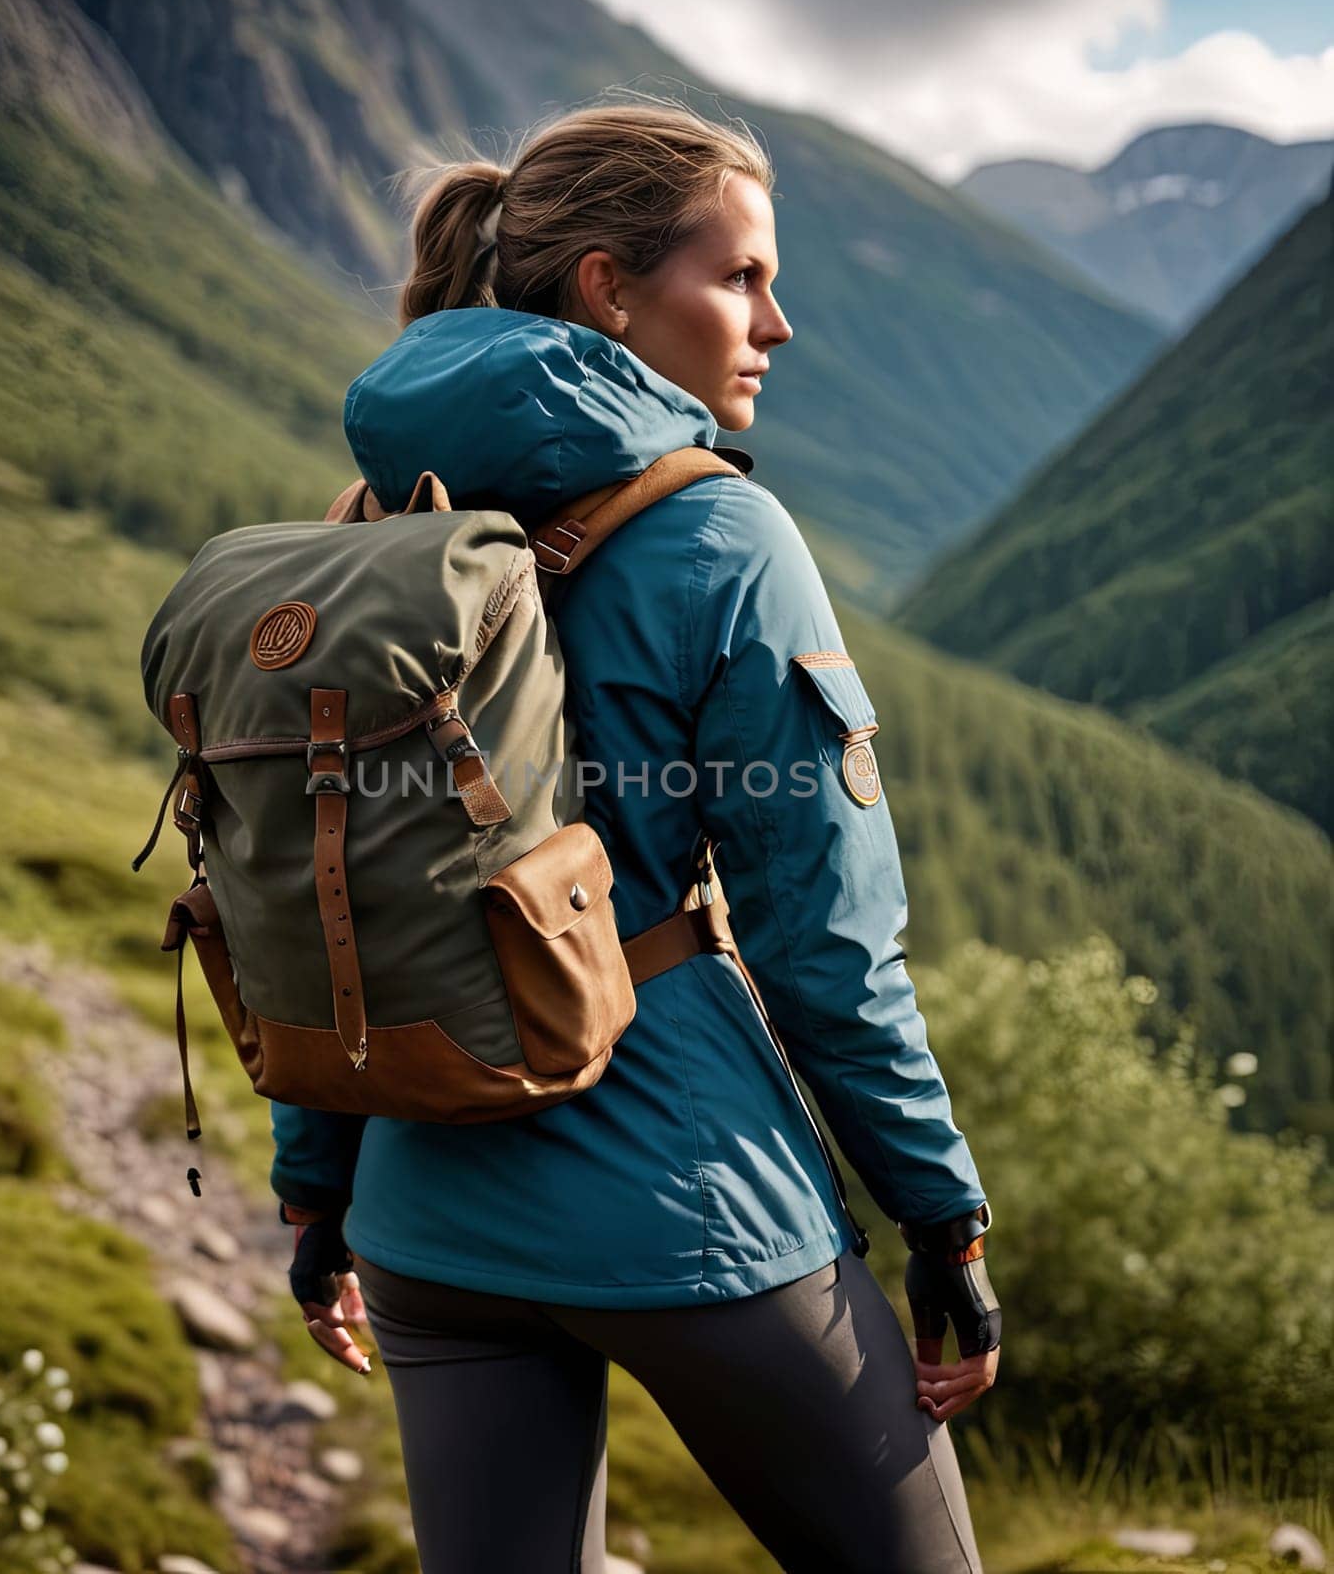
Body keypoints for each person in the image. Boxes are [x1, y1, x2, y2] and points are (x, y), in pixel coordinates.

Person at [270, 95, 1001, 1574]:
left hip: (425, 1218)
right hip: (685, 1202)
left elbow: (321, 895)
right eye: (740, 277)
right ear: (609, 286)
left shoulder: (367, 526)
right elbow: (827, 953)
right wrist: (944, 1221)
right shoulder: (725, 537)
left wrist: (318, 1191)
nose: (776, 323)